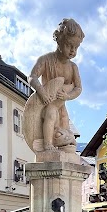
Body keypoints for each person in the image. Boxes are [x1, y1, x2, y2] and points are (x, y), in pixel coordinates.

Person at [25, 18, 84, 153]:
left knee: (68, 140)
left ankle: (57, 147)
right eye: (69, 45)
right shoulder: (46, 60)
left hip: (62, 105)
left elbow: (78, 88)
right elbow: (31, 77)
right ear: (59, 40)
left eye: (76, 47)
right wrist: (42, 92)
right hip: (47, 103)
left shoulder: (73, 67)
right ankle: (47, 144)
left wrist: (67, 96)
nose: (73, 51)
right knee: (51, 114)